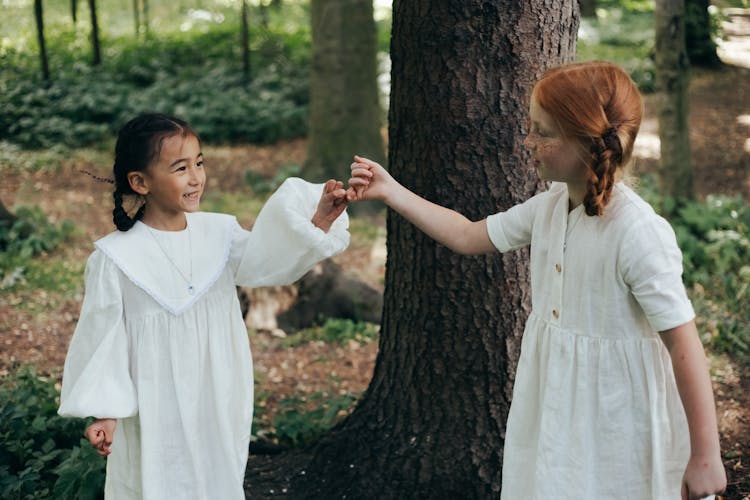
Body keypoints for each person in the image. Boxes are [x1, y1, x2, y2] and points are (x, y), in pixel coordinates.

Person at [346, 61, 726, 499]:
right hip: (558, 407)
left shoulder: (637, 232)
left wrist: (705, 456)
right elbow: (468, 235)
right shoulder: (549, 208)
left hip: (621, 420)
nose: (527, 140)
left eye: (543, 132)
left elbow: (684, 344)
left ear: (586, 141)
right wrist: (391, 190)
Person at [58, 113, 350, 499]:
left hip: (218, 390)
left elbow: (270, 261)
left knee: (216, 477)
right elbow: (104, 337)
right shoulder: (115, 258)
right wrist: (107, 410)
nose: (196, 177)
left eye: (200, 163)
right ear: (140, 182)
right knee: (157, 477)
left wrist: (318, 220)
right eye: (180, 168)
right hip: (153, 400)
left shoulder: (221, 233)